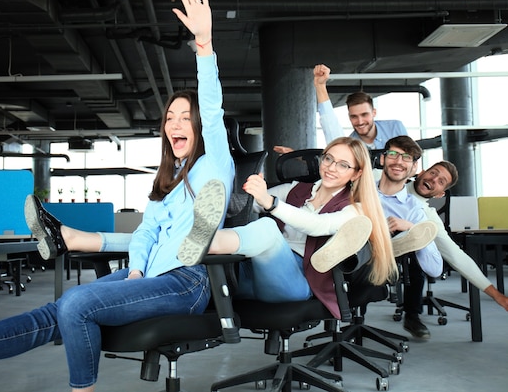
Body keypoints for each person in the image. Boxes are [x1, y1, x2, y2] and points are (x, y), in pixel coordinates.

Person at [0, 0, 234, 392]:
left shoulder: (215, 164)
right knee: (58, 309)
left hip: (186, 282)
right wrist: (136, 268)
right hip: (149, 274)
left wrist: (204, 46)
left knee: (78, 303)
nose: (175, 123)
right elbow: (147, 231)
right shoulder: (166, 179)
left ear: (200, 128)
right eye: (170, 116)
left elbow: (212, 108)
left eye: (184, 117)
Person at [179, 135, 402, 320]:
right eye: (328, 159)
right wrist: (244, 192)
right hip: (257, 274)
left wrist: (271, 203)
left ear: (357, 173)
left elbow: (317, 226)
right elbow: (252, 203)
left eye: (343, 165)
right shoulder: (296, 189)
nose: (331, 168)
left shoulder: (355, 209)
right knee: (208, 277)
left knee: (267, 227)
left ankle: (208, 242)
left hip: (296, 282)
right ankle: (191, 243)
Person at [407, 161, 508, 314]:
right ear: (421, 173)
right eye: (433, 173)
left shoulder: (428, 217)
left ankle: (412, 315)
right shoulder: (393, 183)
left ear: (440, 194)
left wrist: (496, 295)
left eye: (441, 182)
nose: (434, 179)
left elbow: (456, 256)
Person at [377, 135, 444, 339]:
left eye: (406, 158)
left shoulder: (414, 208)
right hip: (354, 254)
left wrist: (412, 228)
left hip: (391, 256)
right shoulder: (359, 190)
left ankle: (412, 315)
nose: (398, 161)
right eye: (393, 154)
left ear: (414, 168)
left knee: (414, 245)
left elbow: (435, 268)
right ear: (382, 159)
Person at [273, 64, 408, 154]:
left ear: (374, 113)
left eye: (364, 114)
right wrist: (320, 86)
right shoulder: (351, 144)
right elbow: (330, 126)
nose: (360, 121)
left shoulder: (395, 127)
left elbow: (410, 156)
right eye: (354, 116)